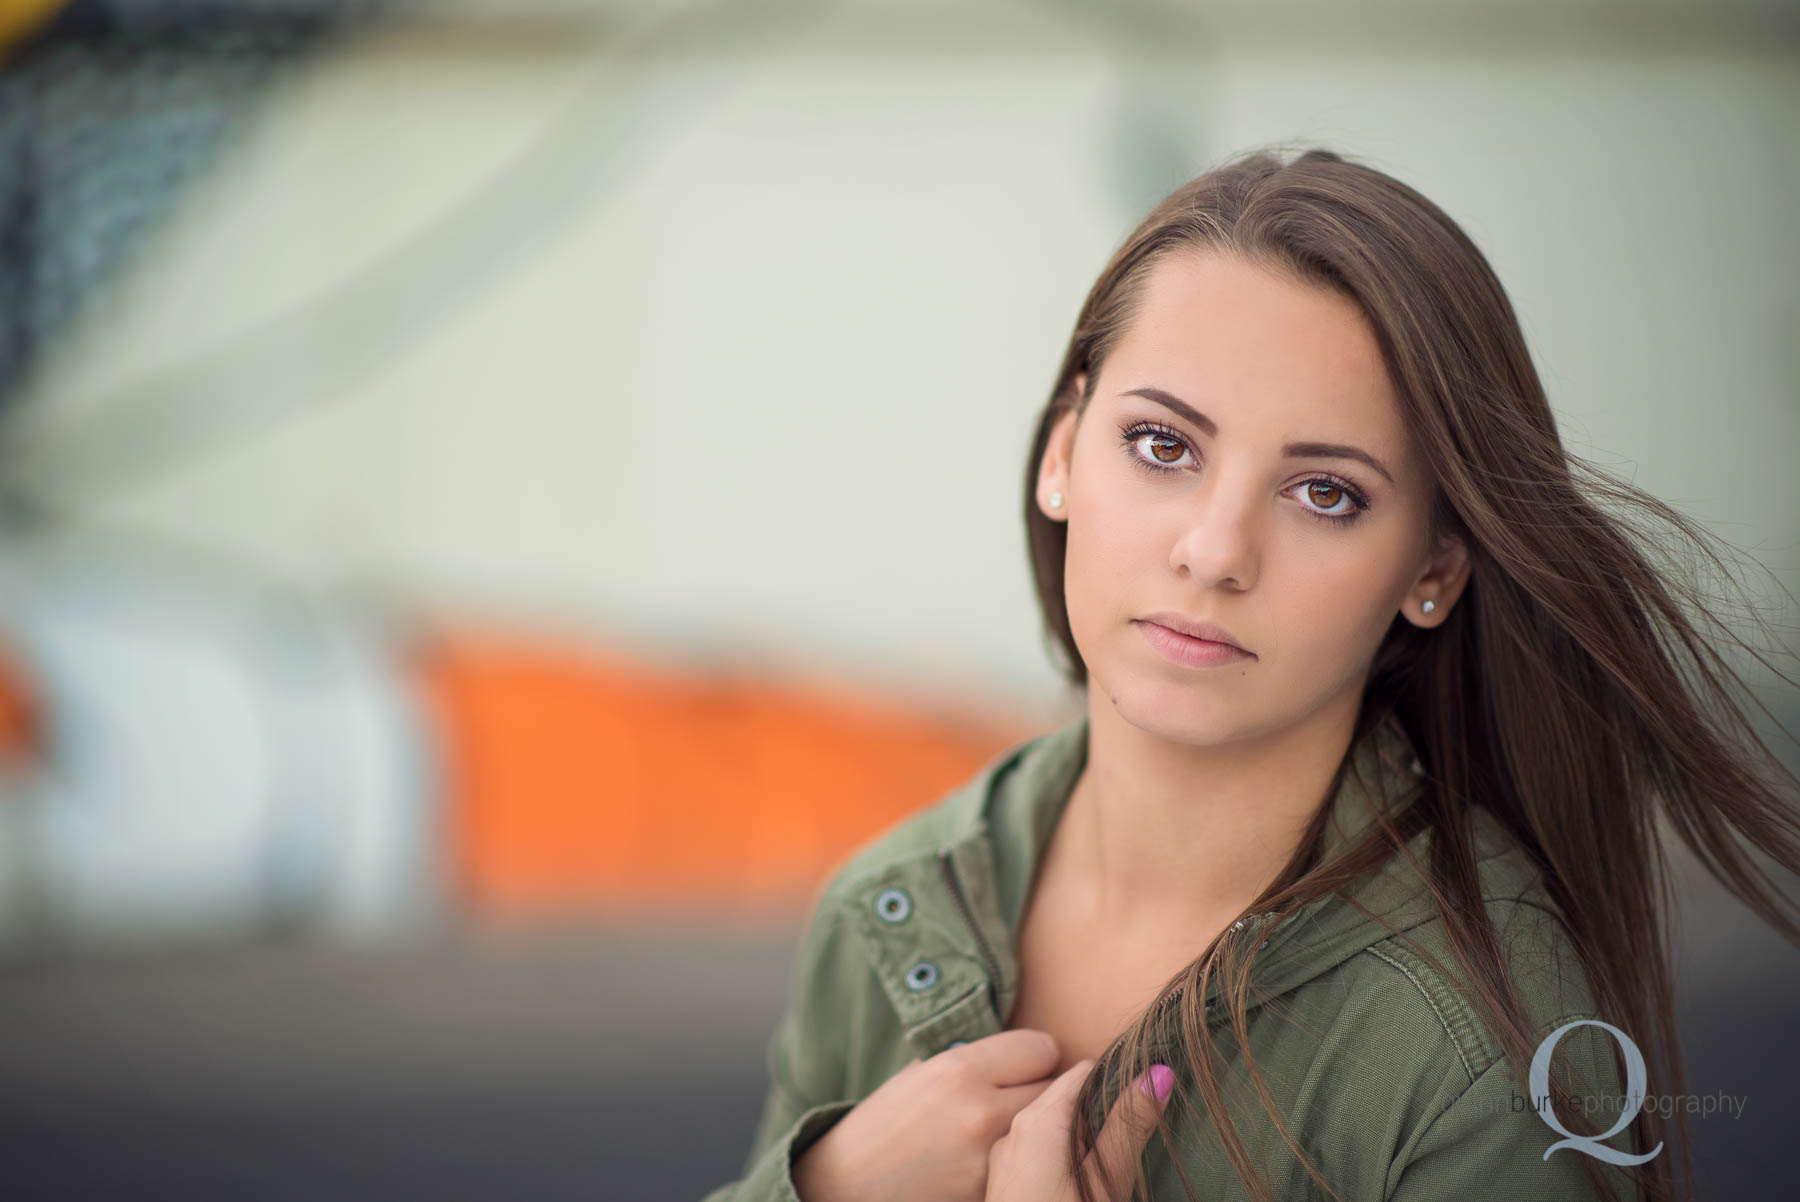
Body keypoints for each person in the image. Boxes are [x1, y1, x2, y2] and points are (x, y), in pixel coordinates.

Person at [700, 147, 1800, 1202]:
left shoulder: (1492, 1055)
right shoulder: (882, 912)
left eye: (1326, 492)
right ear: (1060, 453)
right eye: (1163, 445)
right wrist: (826, 1182)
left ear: (1434, 568)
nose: (1217, 549)